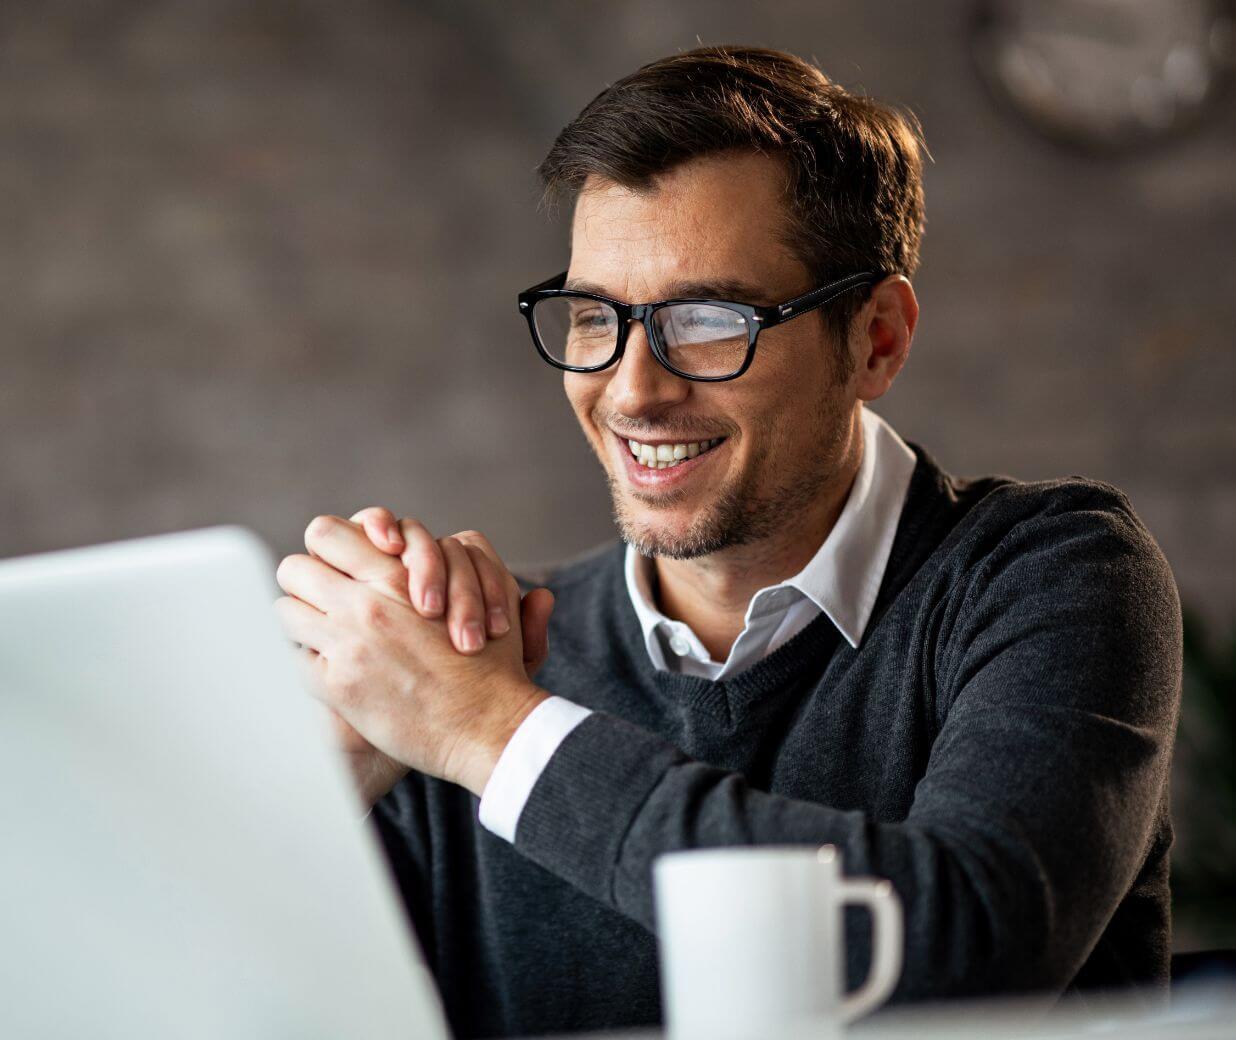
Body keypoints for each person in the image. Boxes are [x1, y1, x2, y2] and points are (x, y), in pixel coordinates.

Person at [272, 45, 1181, 1039]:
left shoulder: (1054, 570)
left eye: (708, 320)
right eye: (594, 317)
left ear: (876, 337)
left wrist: (488, 733)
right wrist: (331, 787)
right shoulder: (468, 664)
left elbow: (968, 943)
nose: (632, 390)